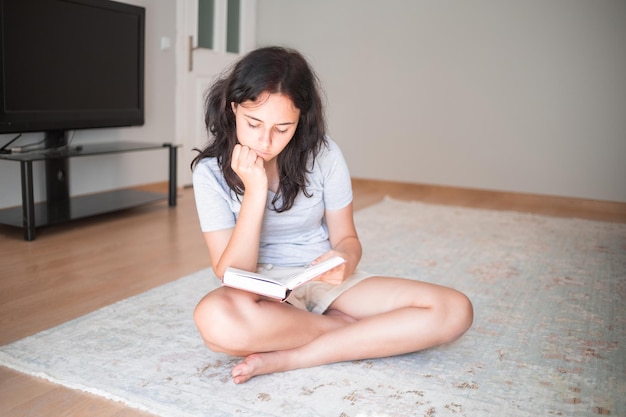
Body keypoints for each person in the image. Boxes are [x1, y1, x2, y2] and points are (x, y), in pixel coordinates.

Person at [191, 46, 473, 384]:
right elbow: (232, 272)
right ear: (233, 108)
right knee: (215, 323)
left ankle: (292, 357)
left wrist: (345, 260)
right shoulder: (209, 173)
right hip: (261, 294)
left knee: (454, 311)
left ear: (301, 120)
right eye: (253, 123)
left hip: (319, 277)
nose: (265, 141)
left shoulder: (323, 155)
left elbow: (347, 240)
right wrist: (255, 190)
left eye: (282, 128)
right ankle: (345, 329)